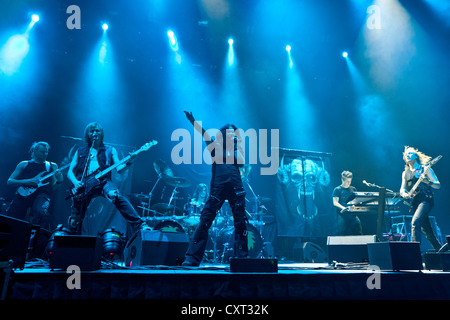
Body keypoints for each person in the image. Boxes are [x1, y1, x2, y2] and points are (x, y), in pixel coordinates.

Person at [182, 111, 248, 266]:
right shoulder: (214, 147)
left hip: (237, 190)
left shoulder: (237, 152)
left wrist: (236, 140)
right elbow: (203, 133)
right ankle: (192, 258)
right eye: (230, 134)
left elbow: (243, 165)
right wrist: (193, 120)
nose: (233, 137)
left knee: (240, 224)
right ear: (223, 136)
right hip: (217, 191)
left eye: (234, 135)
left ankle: (242, 259)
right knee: (205, 221)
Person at [66, 122, 146, 235]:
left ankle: (139, 224)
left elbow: (119, 169)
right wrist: (75, 182)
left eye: (97, 131)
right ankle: (70, 240)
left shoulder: (110, 150)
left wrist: (130, 161)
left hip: (103, 182)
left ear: (101, 133)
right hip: (83, 185)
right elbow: (70, 172)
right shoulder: (80, 151)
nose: (95, 133)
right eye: (92, 131)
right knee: (75, 221)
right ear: (88, 134)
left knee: (114, 195)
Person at [6, 141, 63, 230]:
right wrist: (27, 181)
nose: (45, 154)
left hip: (42, 194)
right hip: (23, 193)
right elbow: (9, 181)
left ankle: (36, 237)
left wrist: (60, 180)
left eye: (46, 152)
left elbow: (53, 187)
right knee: (13, 217)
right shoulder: (24, 164)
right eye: (42, 152)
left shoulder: (52, 166)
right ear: (35, 151)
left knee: (40, 211)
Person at [400, 146, 441, 250]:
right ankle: (443, 252)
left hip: (426, 200)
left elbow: (438, 185)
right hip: (415, 202)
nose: (407, 155)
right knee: (428, 231)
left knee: (415, 222)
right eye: (406, 154)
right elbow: (402, 189)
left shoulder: (425, 169)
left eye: (410, 153)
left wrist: (427, 181)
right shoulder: (405, 173)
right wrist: (404, 194)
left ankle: (414, 252)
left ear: (416, 156)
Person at [332, 170, 362, 235]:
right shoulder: (337, 190)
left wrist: (355, 205)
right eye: (347, 181)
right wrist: (343, 208)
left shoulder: (353, 189)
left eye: (350, 181)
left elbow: (356, 201)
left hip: (353, 215)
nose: (349, 183)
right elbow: (335, 202)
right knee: (342, 233)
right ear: (342, 179)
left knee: (358, 231)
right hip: (342, 215)